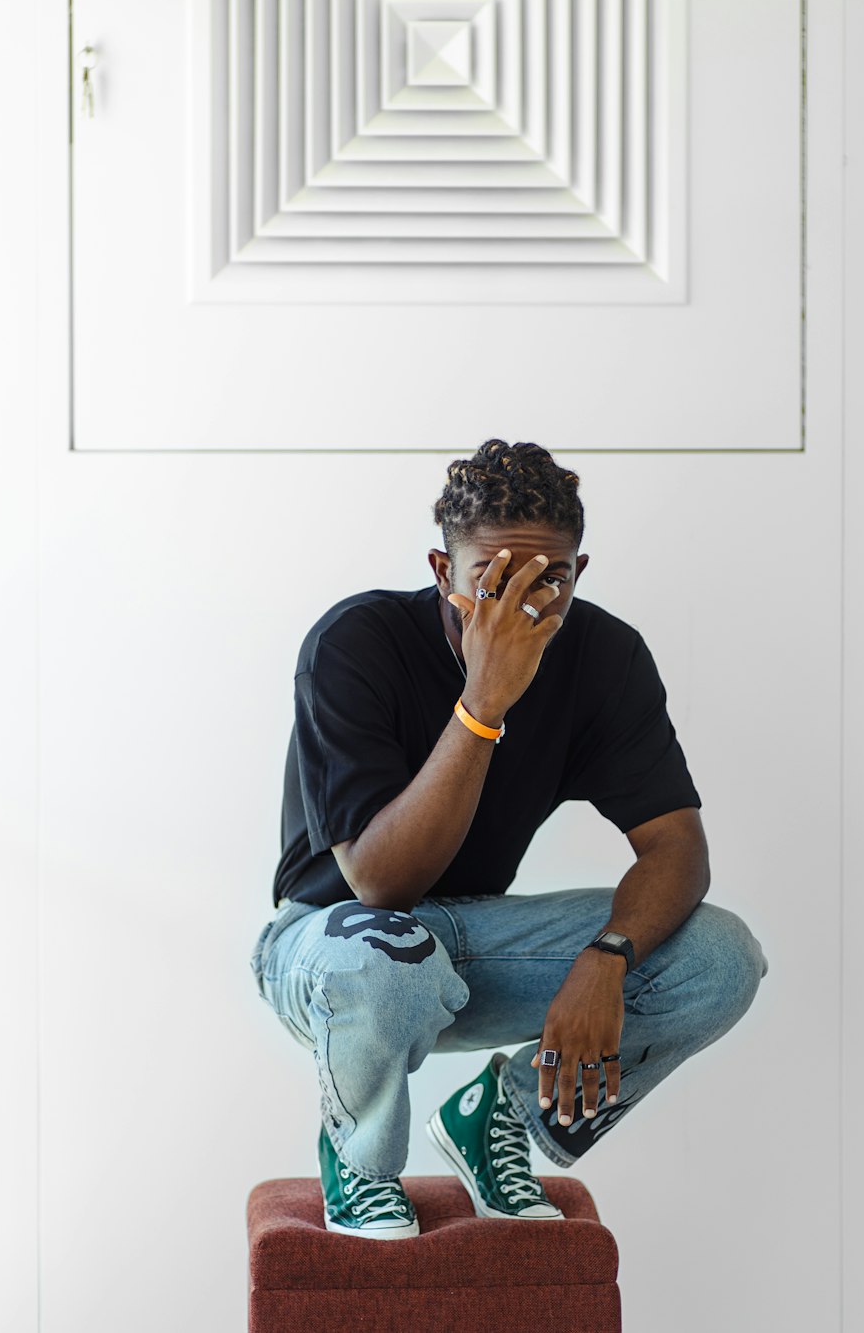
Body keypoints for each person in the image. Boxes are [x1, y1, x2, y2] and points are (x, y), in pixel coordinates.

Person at [249, 438, 768, 1239]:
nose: (520, 607)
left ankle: (500, 1120)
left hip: (475, 940)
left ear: (578, 572)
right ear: (440, 570)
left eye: (548, 580)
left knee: (719, 955)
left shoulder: (604, 655)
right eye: (491, 581)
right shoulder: (356, 642)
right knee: (381, 950)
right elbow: (381, 887)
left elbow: (676, 847)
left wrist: (609, 956)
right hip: (330, 949)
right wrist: (485, 698)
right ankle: (358, 1161)